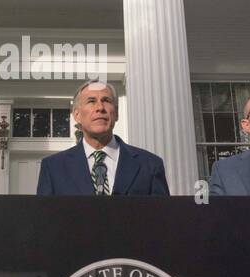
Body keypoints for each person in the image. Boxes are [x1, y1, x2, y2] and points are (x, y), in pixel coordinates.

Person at [36, 80, 169, 195]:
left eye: (106, 100)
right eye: (91, 101)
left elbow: (163, 220)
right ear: (77, 115)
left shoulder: (150, 165)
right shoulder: (53, 168)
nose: (100, 107)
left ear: (116, 113)